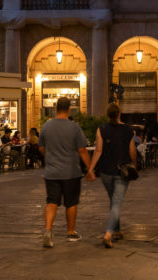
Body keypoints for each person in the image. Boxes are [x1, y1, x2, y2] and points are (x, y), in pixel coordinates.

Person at [38, 96, 93, 248]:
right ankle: (70, 232)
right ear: (69, 109)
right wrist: (90, 169)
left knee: (51, 202)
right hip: (71, 172)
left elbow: (41, 147)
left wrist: (49, 156)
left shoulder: (46, 127)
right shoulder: (74, 127)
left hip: (52, 172)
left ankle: (48, 230)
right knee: (71, 202)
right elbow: (82, 150)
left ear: (55, 109)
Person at [86, 103, 137, 248]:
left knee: (114, 201)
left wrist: (91, 168)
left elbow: (98, 150)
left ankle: (117, 230)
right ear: (119, 114)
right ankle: (108, 233)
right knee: (117, 202)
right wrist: (134, 164)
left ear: (107, 114)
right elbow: (132, 151)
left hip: (105, 171)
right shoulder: (128, 130)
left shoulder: (101, 129)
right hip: (122, 171)